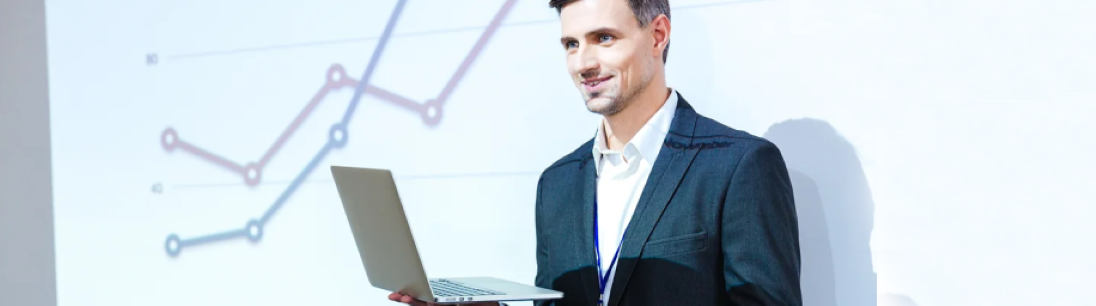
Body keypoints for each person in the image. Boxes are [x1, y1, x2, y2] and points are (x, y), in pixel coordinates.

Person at [390, 0, 802, 305]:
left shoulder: (738, 165)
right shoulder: (557, 182)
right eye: (571, 44)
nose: (582, 63)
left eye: (603, 38)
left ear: (658, 35)